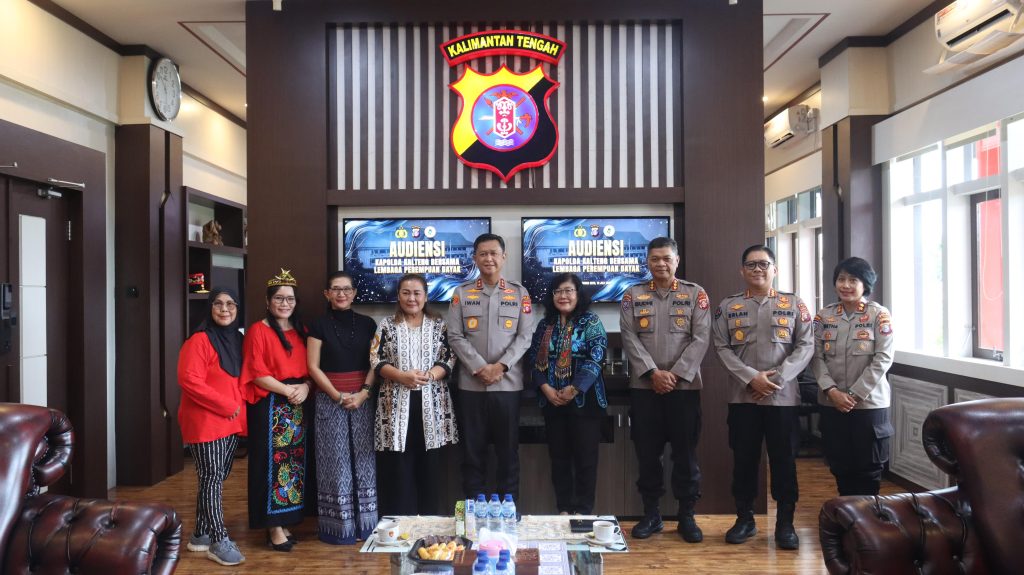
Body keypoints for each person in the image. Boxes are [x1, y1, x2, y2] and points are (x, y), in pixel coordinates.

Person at [711, 245, 813, 550]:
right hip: (744, 399)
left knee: (784, 461)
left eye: (764, 264)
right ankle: (745, 519)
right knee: (744, 460)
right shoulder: (729, 306)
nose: (757, 269)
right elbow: (721, 347)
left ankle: (785, 524)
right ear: (742, 270)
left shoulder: (794, 304)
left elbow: (805, 346)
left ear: (774, 269)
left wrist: (775, 379)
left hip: (783, 400)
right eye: (751, 265)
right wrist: (750, 378)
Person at [620, 237, 711, 543]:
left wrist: (674, 374)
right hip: (645, 388)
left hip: (684, 388)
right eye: (655, 259)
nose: (660, 263)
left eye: (666, 258)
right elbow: (629, 336)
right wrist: (652, 373)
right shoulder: (632, 295)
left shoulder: (695, 294)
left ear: (677, 261)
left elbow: (701, 338)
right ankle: (652, 514)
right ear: (647, 261)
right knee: (647, 455)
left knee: (685, 455)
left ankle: (686, 516)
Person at [447, 233, 534, 502]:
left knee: (508, 453)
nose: (489, 258)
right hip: (471, 386)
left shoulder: (519, 293)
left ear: (504, 257)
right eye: (483, 254)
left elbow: (525, 336)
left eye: (494, 253)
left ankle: (508, 510)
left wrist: (501, 367)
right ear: (474, 258)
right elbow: (455, 336)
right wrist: (480, 367)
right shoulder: (461, 293)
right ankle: (474, 509)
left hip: (508, 386)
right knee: (472, 453)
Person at [370, 273, 458, 515]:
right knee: (399, 471)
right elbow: (376, 359)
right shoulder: (387, 325)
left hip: (432, 406)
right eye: (406, 293)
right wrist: (401, 376)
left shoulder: (439, 325)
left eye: (417, 293)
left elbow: (449, 357)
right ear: (398, 296)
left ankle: (429, 525)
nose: (412, 298)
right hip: (395, 407)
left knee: (431, 470)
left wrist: (429, 375)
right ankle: (400, 525)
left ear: (426, 297)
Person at [242, 269, 313, 552]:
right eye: (279, 298)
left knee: (292, 466)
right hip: (270, 403)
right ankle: (272, 526)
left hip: (297, 404)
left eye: (290, 298)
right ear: (268, 301)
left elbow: (312, 368)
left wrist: (305, 387)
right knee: (268, 466)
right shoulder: (258, 330)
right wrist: (287, 390)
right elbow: (255, 372)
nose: (285, 303)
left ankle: (284, 521)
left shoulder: (302, 331)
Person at [525, 273, 608, 515]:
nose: (563, 296)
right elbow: (533, 360)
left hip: (585, 402)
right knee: (559, 460)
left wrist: (574, 388)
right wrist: (545, 388)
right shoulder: (545, 325)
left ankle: (583, 511)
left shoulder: (591, 322)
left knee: (585, 460)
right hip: (552, 401)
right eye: (558, 291)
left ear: (578, 294)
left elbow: (596, 357)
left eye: (569, 291)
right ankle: (563, 509)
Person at [812, 257, 894, 497]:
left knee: (869, 470)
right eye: (841, 279)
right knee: (840, 466)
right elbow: (815, 356)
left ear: (865, 284)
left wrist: (855, 394)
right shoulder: (824, 316)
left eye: (853, 280)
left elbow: (883, 358)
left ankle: (867, 518)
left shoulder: (878, 315)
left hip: (868, 405)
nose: (845, 285)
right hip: (832, 403)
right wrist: (832, 391)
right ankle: (847, 515)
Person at [307, 271, 378, 544]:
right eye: (336, 289)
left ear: (354, 293)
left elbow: (375, 363)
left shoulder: (368, 324)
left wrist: (363, 393)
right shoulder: (318, 325)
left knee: (364, 460)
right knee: (334, 463)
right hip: (329, 399)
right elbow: (312, 367)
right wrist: (337, 396)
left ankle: (367, 526)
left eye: (347, 289)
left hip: (362, 399)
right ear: (327, 294)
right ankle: (339, 529)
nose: (341, 294)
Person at [177, 288, 247, 566]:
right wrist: (227, 405)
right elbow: (189, 380)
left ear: (237, 308)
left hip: (231, 421)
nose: (224, 309)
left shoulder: (238, 339)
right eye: (218, 303)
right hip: (206, 420)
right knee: (212, 479)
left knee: (214, 477)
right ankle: (219, 540)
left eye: (230, 304)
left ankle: (200, 535)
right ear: (210, 308)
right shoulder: (199, 340)